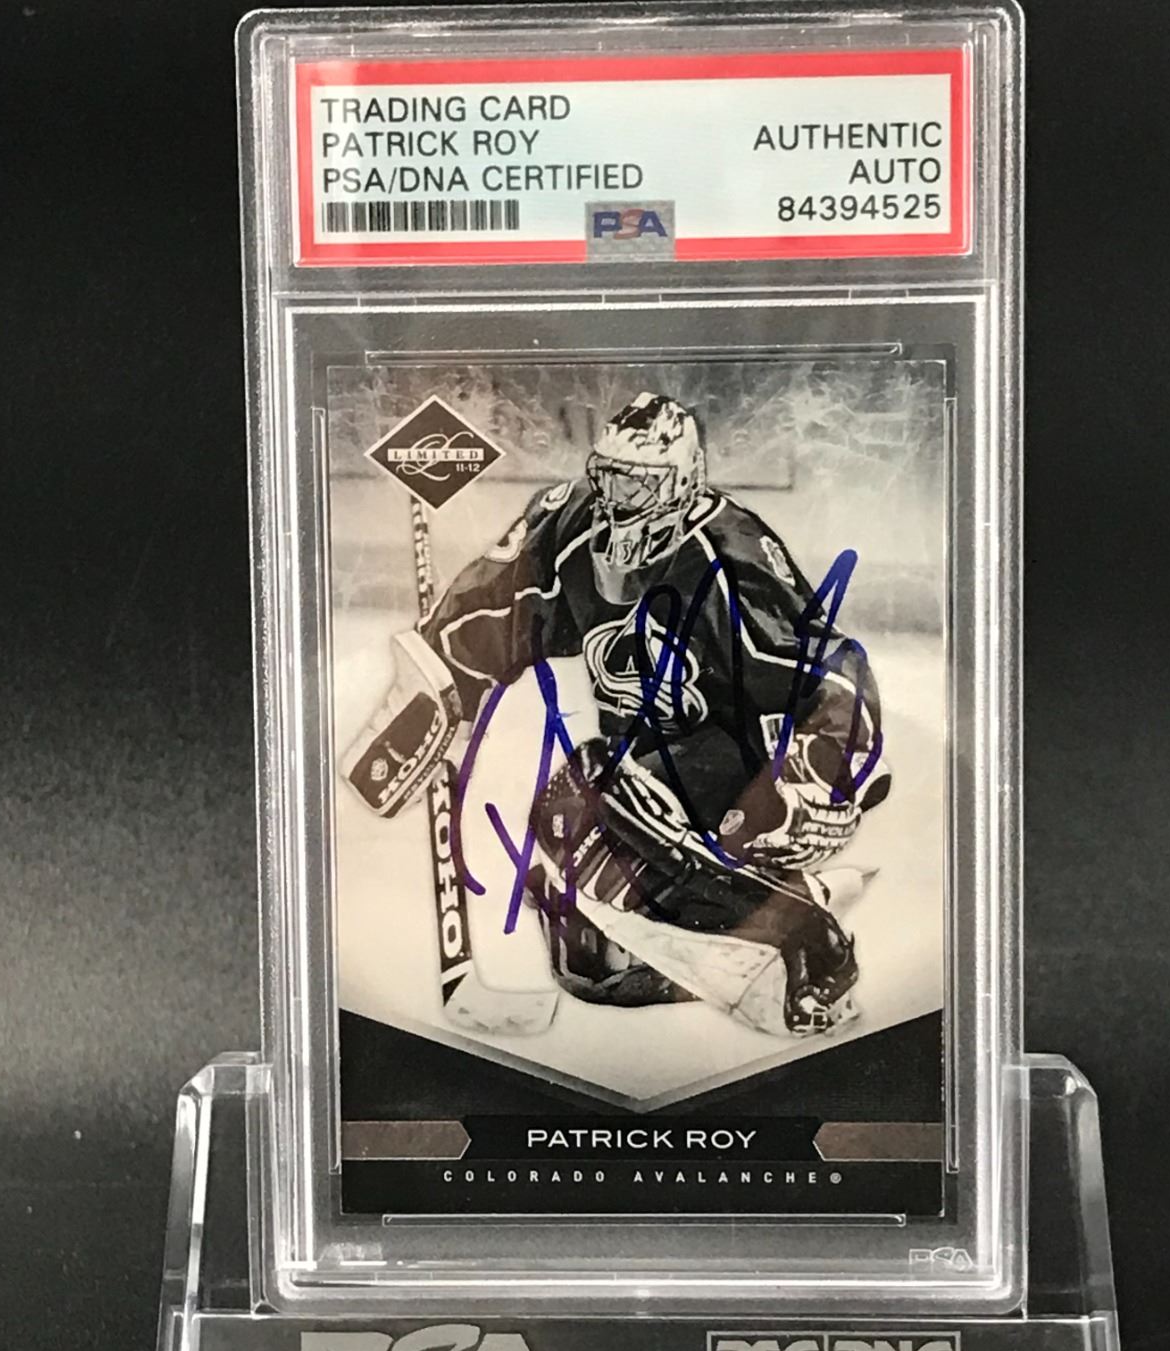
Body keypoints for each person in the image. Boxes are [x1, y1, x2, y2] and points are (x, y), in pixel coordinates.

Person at [344, 393, 890, 1037]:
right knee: (589, 959)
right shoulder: (569, 524)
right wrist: (435, 693)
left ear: (682, 482)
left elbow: (831, 673)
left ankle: (808, 937)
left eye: (638, 483)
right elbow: (492, 607)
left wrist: (821, 777)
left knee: (604, 788)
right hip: (641, 769)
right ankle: (724, 921)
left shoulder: (731, 553)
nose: (617, 498)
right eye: (608, 477)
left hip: (739, 774)